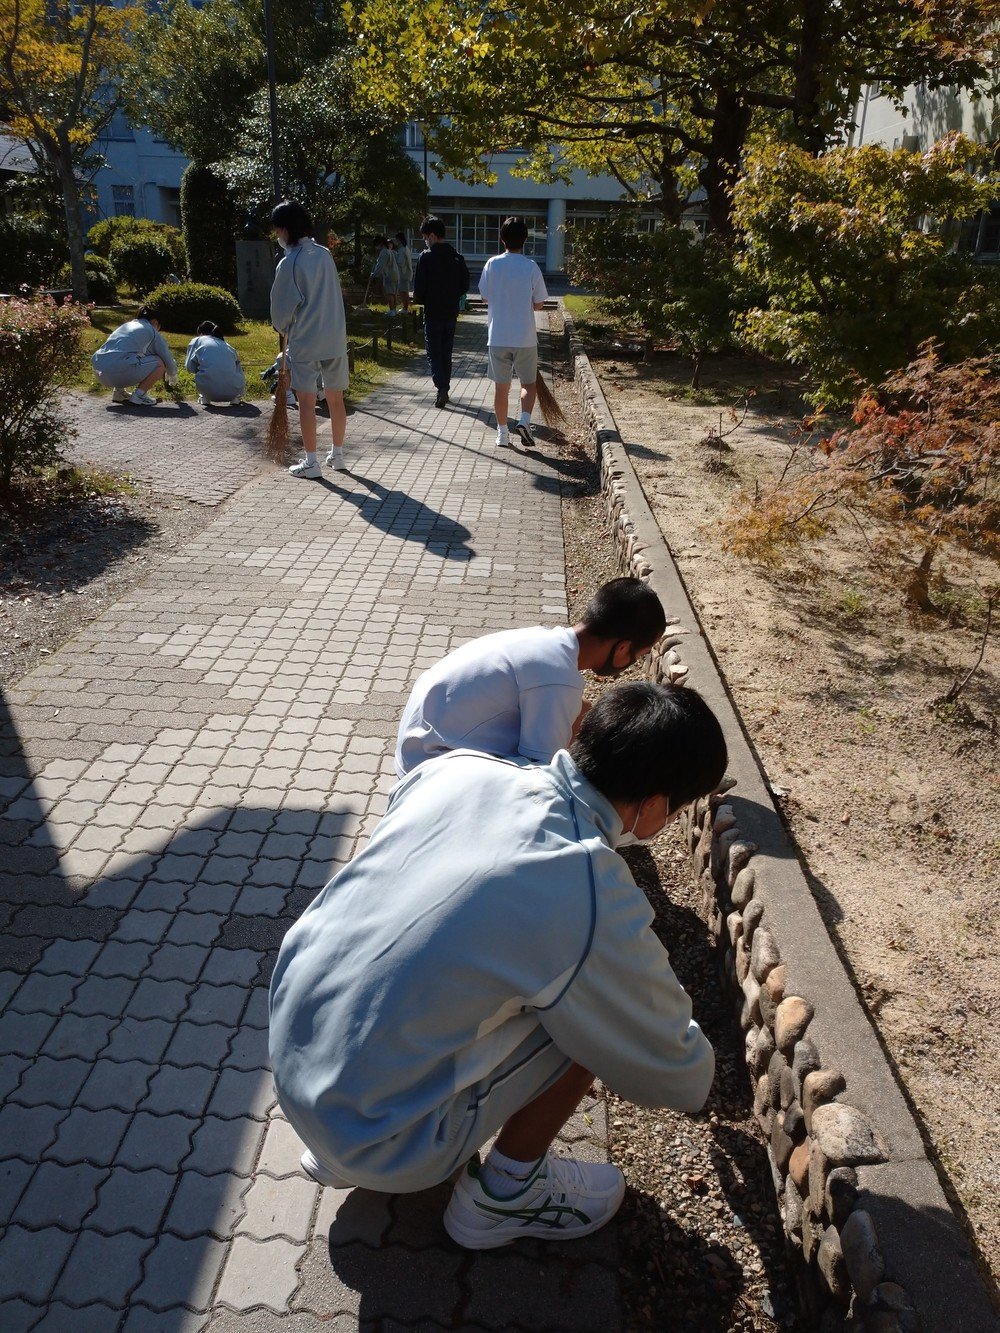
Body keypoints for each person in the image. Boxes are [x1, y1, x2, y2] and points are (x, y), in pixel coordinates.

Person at [269, 680, 727, 1249]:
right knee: (586, 1015)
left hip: (292, 1066)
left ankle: (345, 1126)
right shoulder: (584, 884)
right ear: (656, 807)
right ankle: (505, 1196)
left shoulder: (460, 770)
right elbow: (678, 1072)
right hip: (373, 1137)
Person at [395, 576, 666, 777]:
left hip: (418, 745)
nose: (632, 664)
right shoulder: (558, 678)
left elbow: (577, 715)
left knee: (581, 712)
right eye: (638, 655)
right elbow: (539, 775)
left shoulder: (546, 642)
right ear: (622, 648)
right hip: (426, 769)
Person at [270, 199, 350, 477]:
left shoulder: (290, 262)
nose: (278, 235)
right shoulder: (324, 254)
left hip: (306, 341)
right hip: (335, 338)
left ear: (285, 229)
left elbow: (281, 310)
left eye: (278, 230)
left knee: (306, 401)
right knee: (336, 399)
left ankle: (311, 462)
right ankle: (337, 456)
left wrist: (282, 328)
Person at [478, 216, 548, 448]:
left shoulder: (491, 264)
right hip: (525, 337)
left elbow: (485, 296)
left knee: (501, 388)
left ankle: (502, 434)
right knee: (528, 384)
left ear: (502, 239)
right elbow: (539, 303)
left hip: (497, 336)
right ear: (525, 240)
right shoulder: (531, 266)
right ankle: (525, 420)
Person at [411, 215, 470, 409]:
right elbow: (465, 284)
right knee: (446, 351)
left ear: (433, 235)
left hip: (433, 311)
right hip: (451, 311)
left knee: (433, 352)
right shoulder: (456, 256)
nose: (425, 241)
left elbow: (419, 286)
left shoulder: (426, 257)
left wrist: (421, 300)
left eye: (426, 237)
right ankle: (445, 387)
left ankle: (441, 387)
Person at [91, 304, 178, 407]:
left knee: (127, 355)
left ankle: (119, 393)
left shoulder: (125, 326)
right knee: (159, 363)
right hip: (117, 372)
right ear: (155, 322)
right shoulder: (151, 331)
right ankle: (139, 395)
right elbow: (166, 356)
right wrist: (172, 373)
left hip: (99, 372)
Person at [184, 321, 246, 407]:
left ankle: (204, 397)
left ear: (201, 333)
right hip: (233, 392)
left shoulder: (197, 340)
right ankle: (236, 397)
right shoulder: (228, 346)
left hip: (207, 391)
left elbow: (189, 367)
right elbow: (238, 370)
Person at [371, 237, 400, 315]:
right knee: (393, 293)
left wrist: (374, 275)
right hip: (395, 274)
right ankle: (394, 310)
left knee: (390, 293)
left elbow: (380, 265)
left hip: (389, 275)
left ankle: (392, 310)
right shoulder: (389, 251)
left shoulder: (384, 252)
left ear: (379, 244)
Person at [393, 231, 413, 312]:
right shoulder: (406, 248)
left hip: (403, 273)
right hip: (406, 273)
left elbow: (400, 262)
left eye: (396, 240)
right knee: (405, 291)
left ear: (399, 240)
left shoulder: (402, 249)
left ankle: (405, 308)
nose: (396, 241)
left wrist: (395, 256)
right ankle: (405, 308)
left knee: (403, 291)